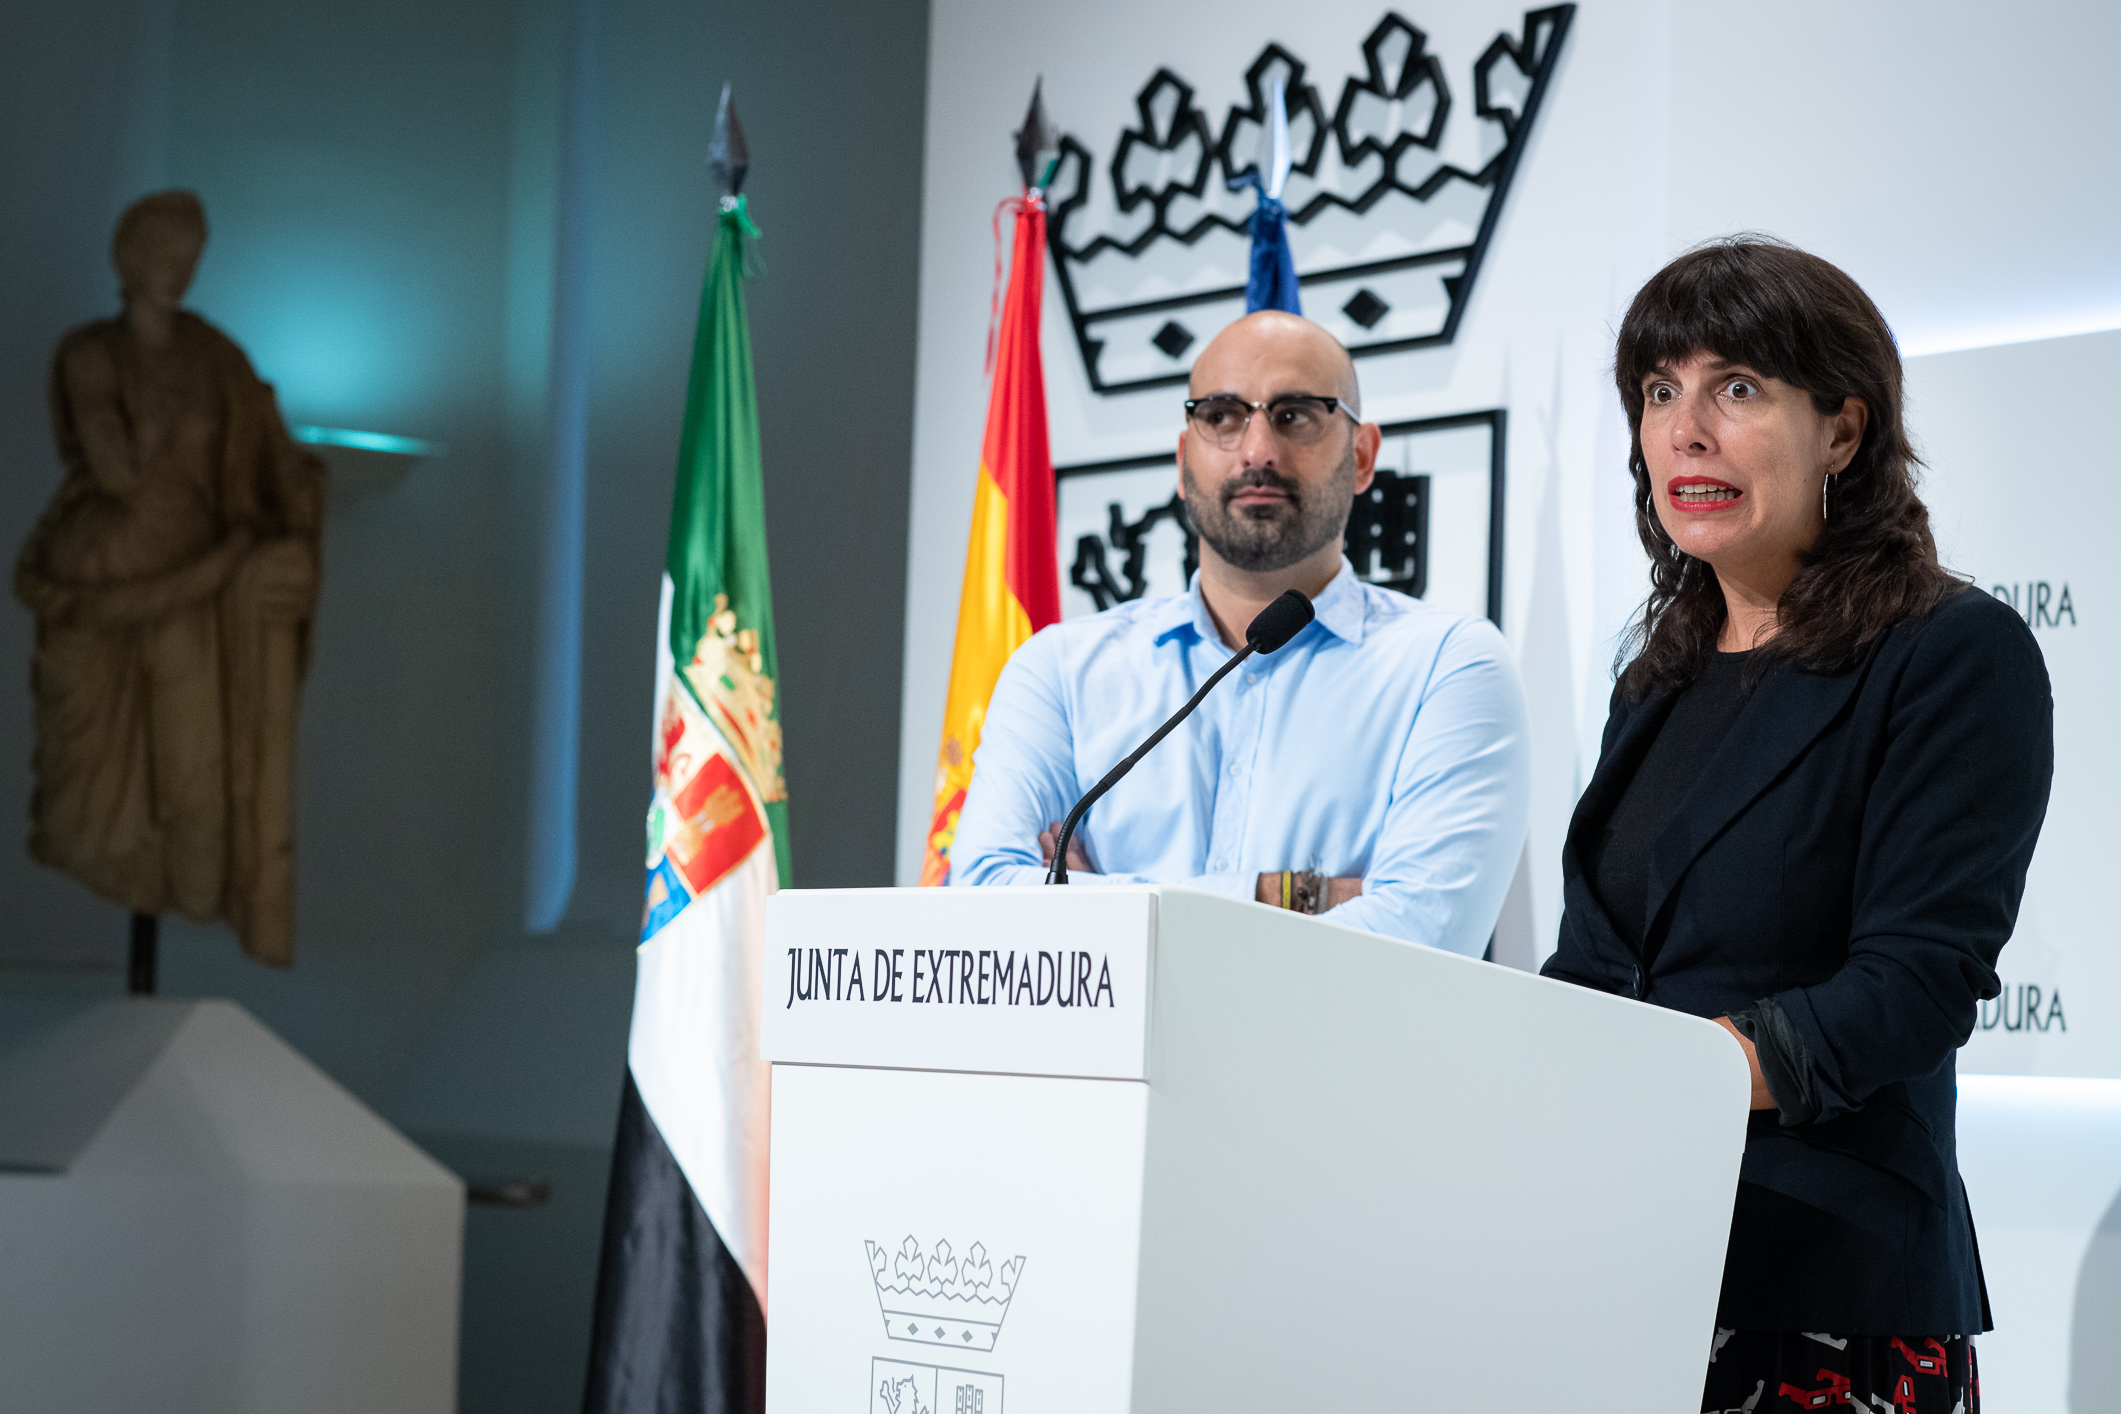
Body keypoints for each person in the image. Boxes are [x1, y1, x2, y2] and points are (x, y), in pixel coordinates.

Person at [1543, 238, 2050, 1412]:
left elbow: (1917, 982)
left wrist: (1678, 1072)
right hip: (1623, 1269)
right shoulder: (1655, 678)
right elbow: (1598, 964)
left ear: (1843, 430)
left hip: (1827, 1294)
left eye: (1737, 388)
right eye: (1659, 392)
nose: (1685, 430)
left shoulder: (1948, 653)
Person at [946, 310, 1530, 955]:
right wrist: (1292, 896)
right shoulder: (1059, 670)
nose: (1257, 451)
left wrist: (1098, 905)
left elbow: (1419, 942)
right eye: (1222, 415)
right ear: (1183, 456)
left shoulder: (1448, 665)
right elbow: (982, 903)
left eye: (1295, 414)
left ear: (1362, 457)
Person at [14, 190, 325, 966]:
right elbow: (116, 472)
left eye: (188, 256)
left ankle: (186, 896)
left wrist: (297, 497)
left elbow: (274, 460)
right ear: (127, 257)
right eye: (160, 253)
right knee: (93, 794)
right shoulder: (90, 355)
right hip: (112, 569)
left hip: (197, 589)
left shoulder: (216, 356)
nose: (175, 271)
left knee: (195, 777)